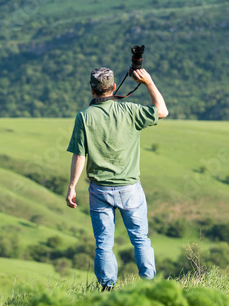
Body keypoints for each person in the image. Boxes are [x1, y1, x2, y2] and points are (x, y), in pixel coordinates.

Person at [66, 67, 168, 290]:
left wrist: (72, 186)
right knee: (140, 239)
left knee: (104, 243)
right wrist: (148, 82)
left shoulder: (84, 116)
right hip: (130, 188)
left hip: (99, 189)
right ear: (113, 88)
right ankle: (149, 285)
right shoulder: (130, 110)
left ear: (91, 89)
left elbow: (79, 155)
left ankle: (106, 288)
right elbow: (162, 111)